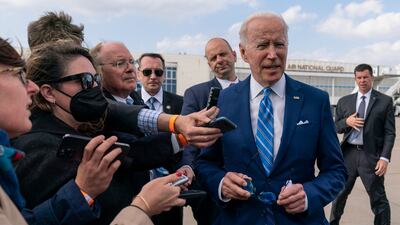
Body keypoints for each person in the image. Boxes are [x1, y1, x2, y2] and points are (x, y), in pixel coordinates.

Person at [0, 36, 185, 225]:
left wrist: (184, 136)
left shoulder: (82, 129)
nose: (95, 87)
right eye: (86, 80)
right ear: (48, 93)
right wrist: (142, 206)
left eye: (96, 79)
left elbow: (132, 153)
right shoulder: (38, 146)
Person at [196, 12, 347, 225]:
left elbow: (336, 170)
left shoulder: (315, 101)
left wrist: (309, 195)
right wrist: (221, 183)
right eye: (262, 45)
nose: (273, 54)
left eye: (279, 44)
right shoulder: (224, 101)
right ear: (243, 52)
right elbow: (205, 163)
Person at [91, 42, 185, 225]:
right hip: (125, 211)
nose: (130, 69)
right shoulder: (98, 108)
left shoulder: (134, 99)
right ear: (98, 71)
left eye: (131, 62)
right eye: (120, 63)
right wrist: (183, 137)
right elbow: (130, 151)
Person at [178, 37, 239, 225]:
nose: (219, 60)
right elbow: (188, 136)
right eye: (213, 58)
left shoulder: (254, 92)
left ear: (235, 55)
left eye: (223, 54)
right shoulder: (196, 94)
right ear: (209, 64)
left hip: (247, 180)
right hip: (212, 186)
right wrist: (188, 166)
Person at [329, 63, 395, 225]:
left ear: (372, 77)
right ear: (355, 79)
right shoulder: (345, 101)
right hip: (348, 155)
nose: (362, 81)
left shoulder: (385, 101)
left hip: (371, 156)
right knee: (339, 196)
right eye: (359, 78)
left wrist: (384, 158)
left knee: (378, 199)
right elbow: (335, 127)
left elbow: (389, 132)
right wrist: (347, 121)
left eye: (365, 77)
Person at [137, 52, 185, 225]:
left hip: (172, 187)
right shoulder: (128, 104)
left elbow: (187, 146)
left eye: (158, 72)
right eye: (147, 72)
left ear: (164, 74)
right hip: (138, 191)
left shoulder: (180, 103)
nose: (153, 77)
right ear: (138, 73)